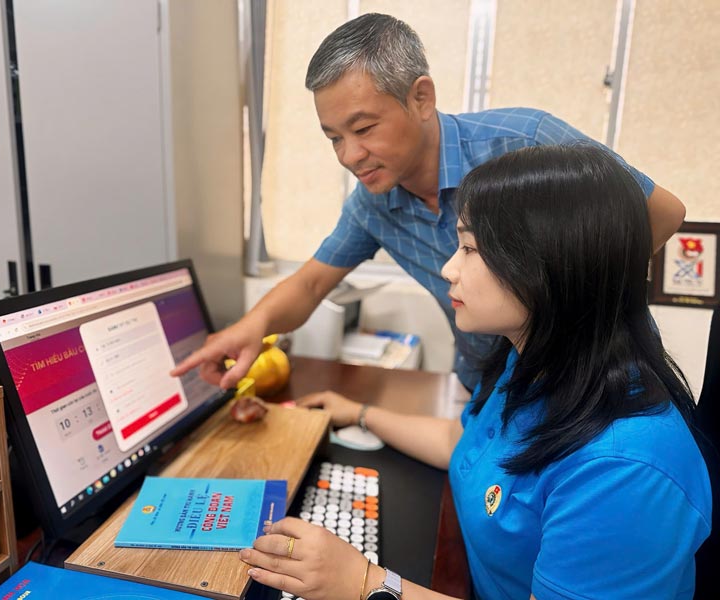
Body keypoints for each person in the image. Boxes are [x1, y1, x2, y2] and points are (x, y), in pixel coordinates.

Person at [237, 144, 712, 600]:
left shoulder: (626, 472)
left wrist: (364, 584)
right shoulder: (533, 360)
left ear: (548, 263)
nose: (448, 269)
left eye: (468, 249)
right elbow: (464, 445)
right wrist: (359, 413)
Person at [171, 13, 686, 394]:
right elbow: (310, 283)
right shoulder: (373, 202)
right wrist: (248, 328)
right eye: (333, 138)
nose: (350, 155)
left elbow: (663, 213)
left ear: (421, 97)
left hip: (584, 383)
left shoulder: (525, 142)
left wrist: (568, 302)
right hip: (488, 387)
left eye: (364, 128)